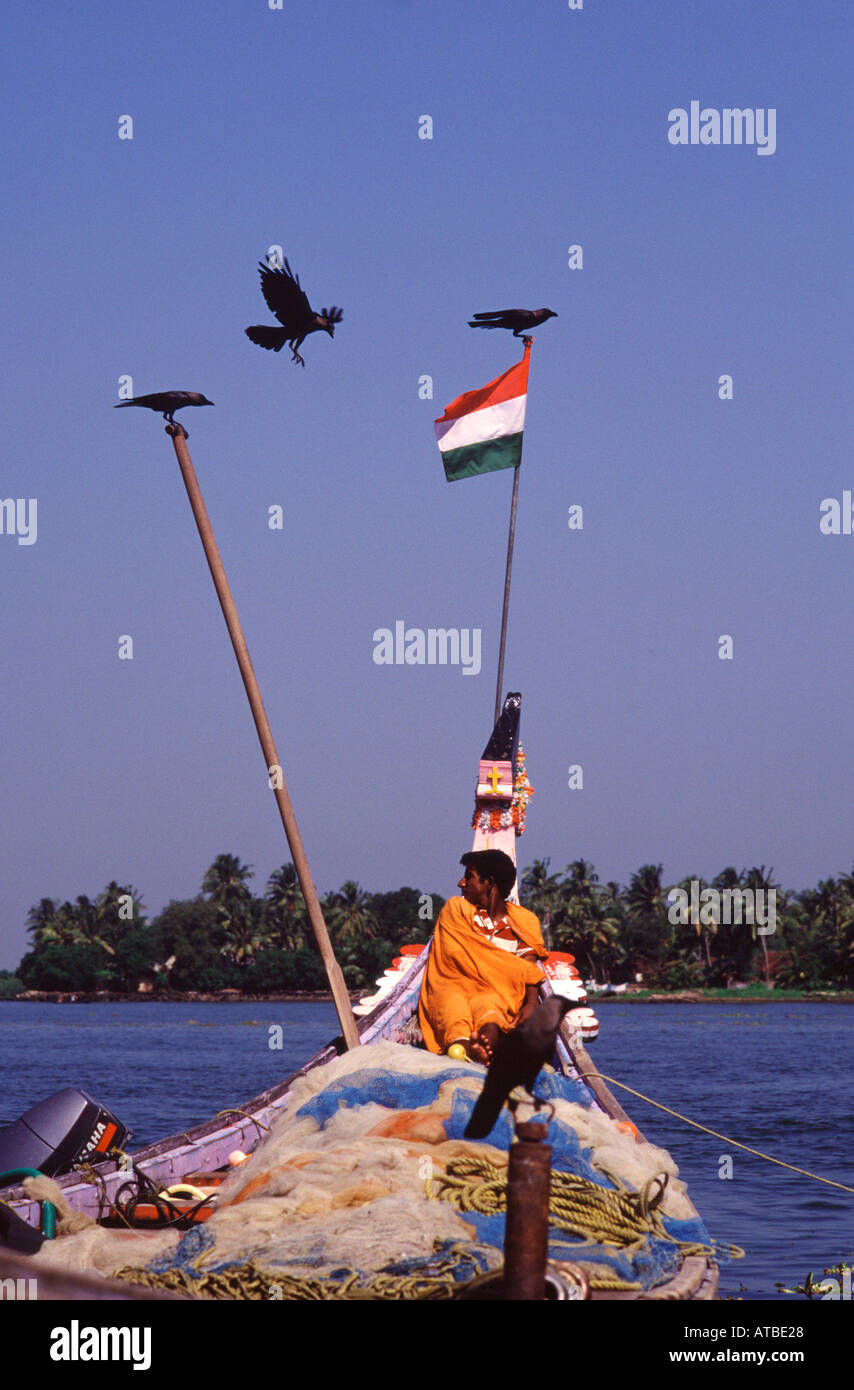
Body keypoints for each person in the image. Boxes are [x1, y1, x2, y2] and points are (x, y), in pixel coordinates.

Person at [418, 849, 548, 1063]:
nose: (461, 883)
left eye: (469, 877)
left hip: (498, 994)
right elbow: (452, 957)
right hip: (453, 987)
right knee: (453, 1005)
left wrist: (532, 1003)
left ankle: (485, 1048)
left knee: (491, 1006)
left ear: (489, 883)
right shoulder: (456, 909)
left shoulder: (525, 921)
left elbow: (528, 967)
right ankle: (464, 1049)